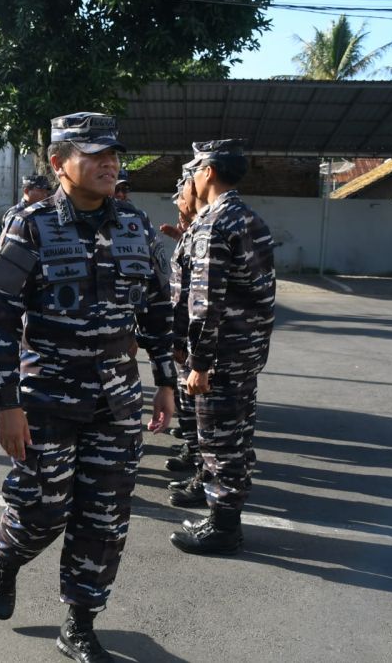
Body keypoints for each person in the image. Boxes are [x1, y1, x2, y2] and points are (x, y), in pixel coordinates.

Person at [0, 112, 175, 663]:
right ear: (59, 162)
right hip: (46, 401)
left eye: (113, 154)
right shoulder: (31, 225)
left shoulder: (135, 224)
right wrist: (7, 404)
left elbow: (157, 310)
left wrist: (164, 382)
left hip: (117, 400)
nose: (109, 163)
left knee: (105, 516)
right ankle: (6, 556)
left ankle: (80, 623)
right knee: (42, 510)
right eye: (93, 154)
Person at [168, 139, 276, 556]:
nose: (192, 177)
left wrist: (200, 362)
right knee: (235, 437)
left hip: (222, 356)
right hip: (243, 352)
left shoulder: (216, 224)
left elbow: (206, 300)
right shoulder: (246, 218)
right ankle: (223, 517)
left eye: (195, 169)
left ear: (209, 172)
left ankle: (224, 527)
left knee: (218, 441)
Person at [161, 169, 208, 506]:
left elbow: (201, 298)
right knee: (193, 409)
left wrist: (185, 346)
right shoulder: (193, 233)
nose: (178, 201)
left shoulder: (208, 231)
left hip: (198, 343)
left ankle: (206, 482)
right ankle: (194, 452)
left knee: (209, 420)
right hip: (188, 340)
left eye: (182, 193)